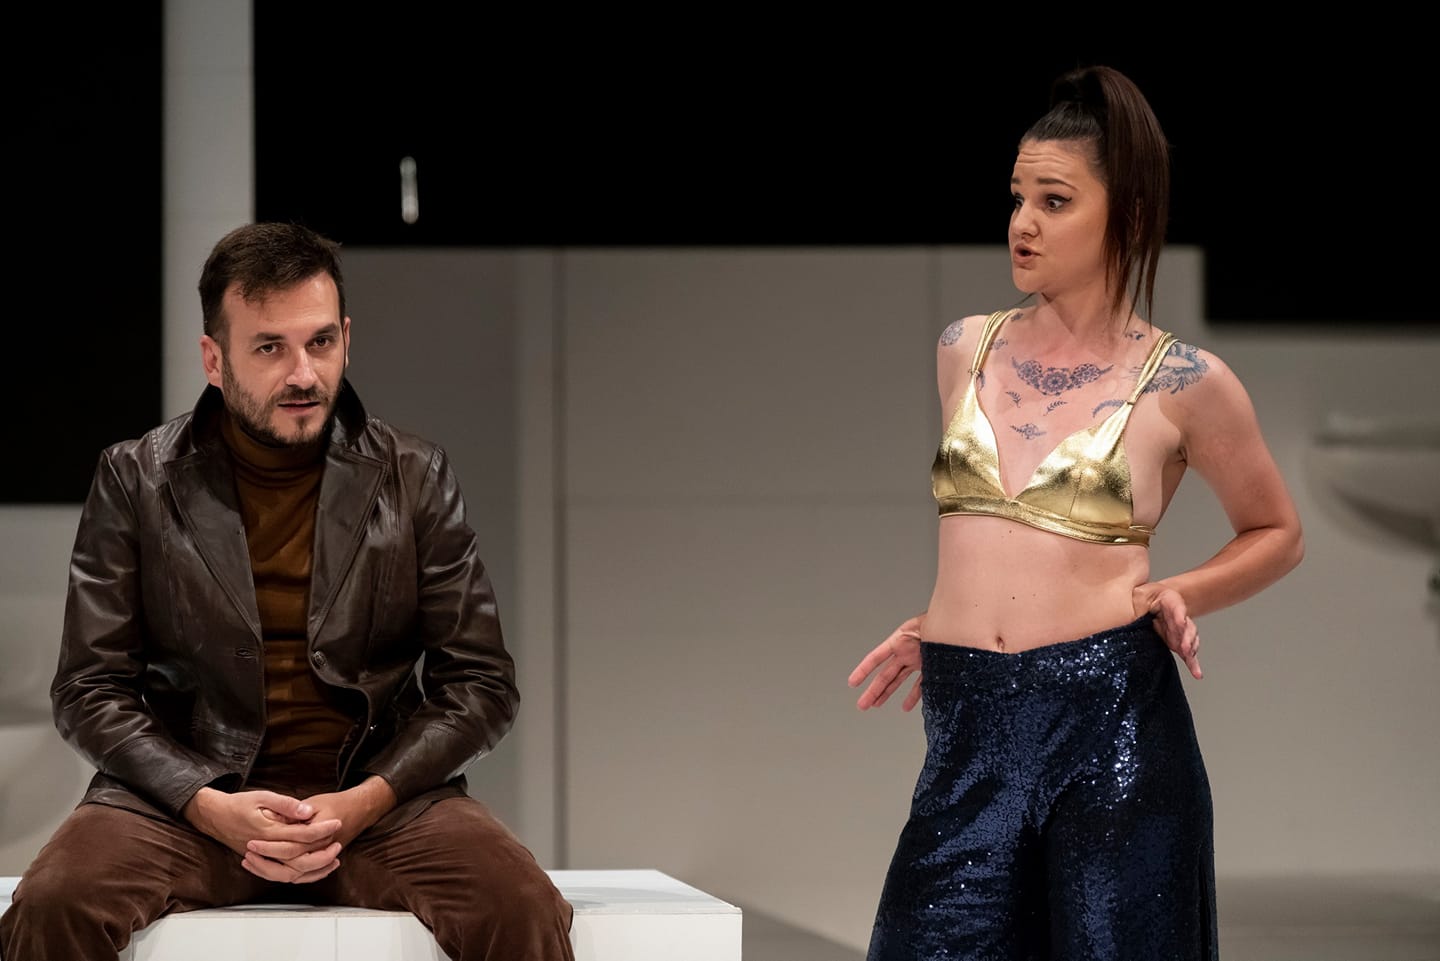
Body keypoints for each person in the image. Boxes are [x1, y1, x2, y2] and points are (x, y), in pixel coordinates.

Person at [0, 222, 575, 960]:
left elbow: (482, 682)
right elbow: (89, 686)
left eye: (320, 342)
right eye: (270, 347)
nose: (303, 373)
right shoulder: (135, 478)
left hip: (375, 799)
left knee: (519, 905)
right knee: (54, 903)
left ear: (346, 339)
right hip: (186, 803)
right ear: (215, 359)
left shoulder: (414, 475)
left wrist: (365, 799)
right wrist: (205, 802)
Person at [847, 64, 1304, 961]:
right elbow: (992, 541)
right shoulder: (964, 348)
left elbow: (1277, 531)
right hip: (969, 725)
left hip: (1110, 725)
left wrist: (1184, 590)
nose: (1023, 222)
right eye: (1018, 197)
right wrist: (949, 618)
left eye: (1054, 201)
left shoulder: (1184, 380)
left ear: (1124, 213)